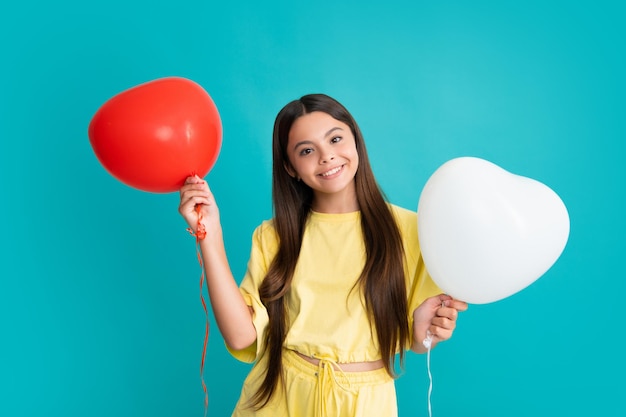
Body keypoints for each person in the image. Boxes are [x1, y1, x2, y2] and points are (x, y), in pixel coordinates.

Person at [178, 93, 468, 417]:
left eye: (335, 139)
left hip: (365, 404)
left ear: (355, 140)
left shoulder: (412, 231)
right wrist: (211, 235)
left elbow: (415, 341)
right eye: (306, 150)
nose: (327, 157)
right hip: (280, 398)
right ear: (291, 168)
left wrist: (426, 332)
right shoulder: (274, 236)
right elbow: (240, 334)